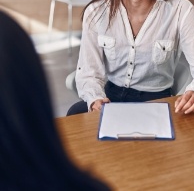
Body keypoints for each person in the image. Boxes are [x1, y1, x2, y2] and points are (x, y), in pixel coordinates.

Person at [0, 10, 111, 190]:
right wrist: (95, 97)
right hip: (107, 96)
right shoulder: (98, 12)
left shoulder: (173, 11)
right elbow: (89, 72)